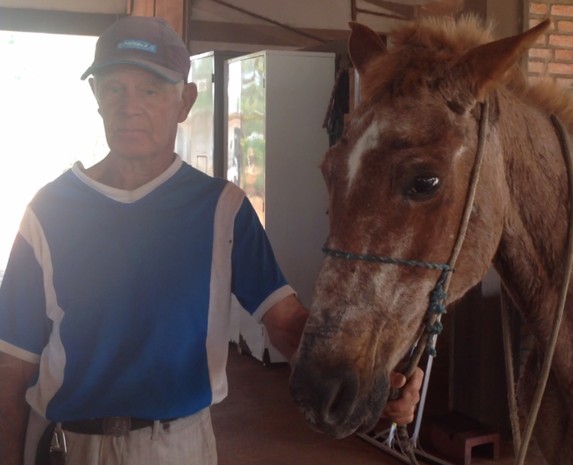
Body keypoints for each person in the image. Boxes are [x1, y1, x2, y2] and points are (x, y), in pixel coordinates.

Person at [0, 16, 423, 465]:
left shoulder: (224, 209)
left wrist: (370, 369)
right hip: (65, 447)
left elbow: (284, 323)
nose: (130, 107)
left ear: (184, 101)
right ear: (96, 98)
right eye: (114, 88)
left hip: (176, 447)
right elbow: (13, 363)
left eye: (150, 89)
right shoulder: (47, 211)